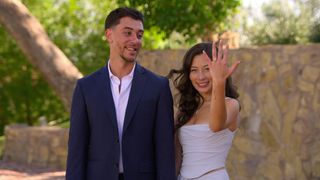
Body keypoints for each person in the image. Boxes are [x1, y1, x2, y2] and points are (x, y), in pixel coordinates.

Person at [66, 7, 176, 180]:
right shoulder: (85, 87)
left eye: (139, 35)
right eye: (128, 33)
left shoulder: (158, 87)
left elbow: (165, 150)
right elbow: (76, 150)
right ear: (109, 35)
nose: (135, 40)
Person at [168, 41, 241, 180]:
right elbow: (177, 157)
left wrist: (219, 81)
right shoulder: (187, 110)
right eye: (194, 70)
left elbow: (215, 125)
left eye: (207, 69)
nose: (200, 77)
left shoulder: (231, 105)